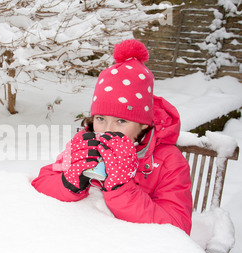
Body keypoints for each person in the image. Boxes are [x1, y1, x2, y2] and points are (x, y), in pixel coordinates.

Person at [31, 39, 193, 235]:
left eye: (121, 121)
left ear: (143, 124)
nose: (107, 130)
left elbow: (178, 227)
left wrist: (122, 188)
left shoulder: (168, 162)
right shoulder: (87, 144)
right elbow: (41, 182)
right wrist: (69, 182)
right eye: (100, 118)